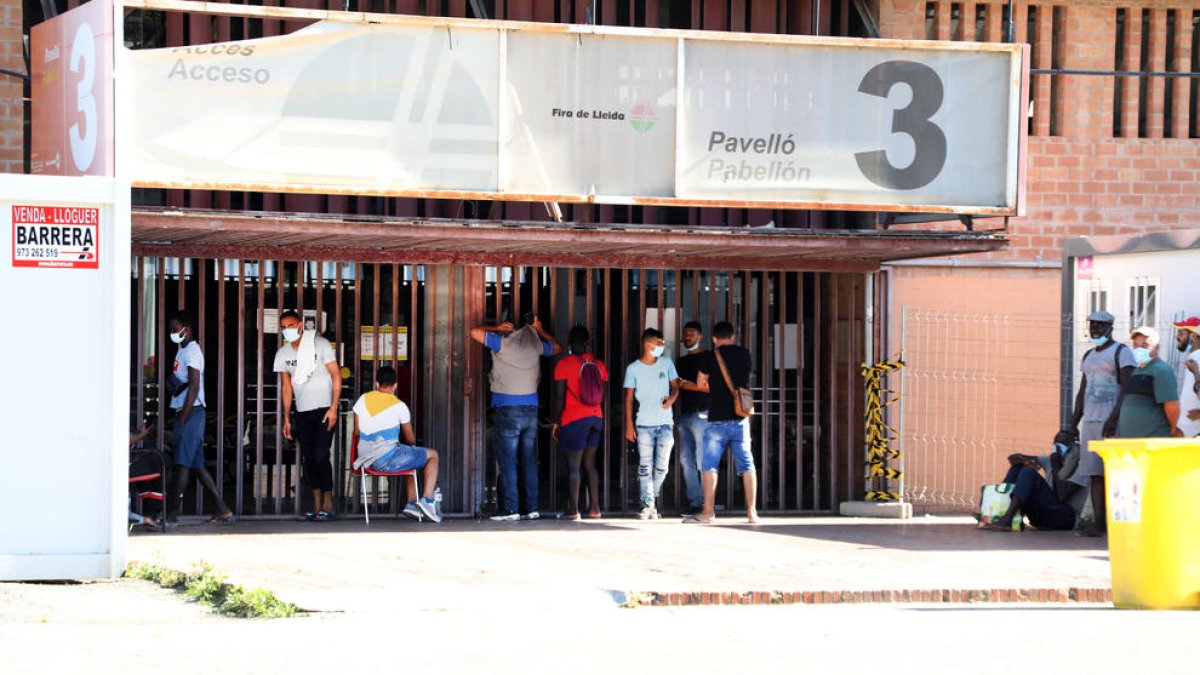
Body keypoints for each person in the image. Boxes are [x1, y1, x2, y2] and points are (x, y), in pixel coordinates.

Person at [470, 314, 561, 521]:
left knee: (508, 460)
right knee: (529, 460)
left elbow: (473, 332)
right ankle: (531, 508)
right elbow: (557, 348)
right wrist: (540, 329)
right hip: (531, 408)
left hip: (507, 408)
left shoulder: (502, 342)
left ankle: (510, 509)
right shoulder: (535, 345)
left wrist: (496, 326)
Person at [686, 321, 758, 525]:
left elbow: (700, 384)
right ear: (733, 337)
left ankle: (708, 513)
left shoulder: (709, 356)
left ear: (714, 339)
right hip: (740, 418)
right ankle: (752, 513)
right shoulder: (745, 354)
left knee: (710, 465)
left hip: (717, 419)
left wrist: (715, 387)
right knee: (747, 464)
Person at [165, 312, 234, 524]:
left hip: (191, 414)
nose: (173, 334)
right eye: (171, 330)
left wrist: (183, 418)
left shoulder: (192, 352)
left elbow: (194, 386)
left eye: (176, 330)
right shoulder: (182, 350)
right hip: (188, 413)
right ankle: (223, 510)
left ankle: (171, 515)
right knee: (197, 465)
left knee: (182, 466)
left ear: (187, 329)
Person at [1069, 310, 1133, 537]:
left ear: (1110, 327)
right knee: (1095, 474)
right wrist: (1072, 424)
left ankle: (1121, 523)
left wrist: (1114, 419)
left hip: (1112, 423)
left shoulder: (1122, 353)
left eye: (1099, 325)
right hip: (1091, 422)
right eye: (1092, 325)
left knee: (1116, 473)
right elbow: (1082, 391)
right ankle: (1099, 523)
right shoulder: (1088, 356)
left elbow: (1127, 388)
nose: (1095, 329)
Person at [274, 309, 342, 521]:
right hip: (302, 412)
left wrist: (334, 407)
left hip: (324, 409)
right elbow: (286, 387)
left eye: (291, 326)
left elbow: (336, 375)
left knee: (322, 456)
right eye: (284, 327)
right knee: (309, 459)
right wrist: (286, 418)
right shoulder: (283, 354)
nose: (288, 330)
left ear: (301, 325)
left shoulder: (320, 344)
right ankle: (317, 504)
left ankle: (329, 504)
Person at [352, 366, 441, 523]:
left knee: (409, 455)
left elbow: (357, 431)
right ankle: (427, 501)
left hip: (365, 461)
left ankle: (412, 504)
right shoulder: (399, 406)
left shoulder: (363, 399)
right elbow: (410, 438)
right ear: (396, 385)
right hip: (386, 460)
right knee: (432, 455)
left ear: (376, 383)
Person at [552, 325, 608, 520]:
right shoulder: (599, 365)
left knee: (574, 466)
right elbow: (603, 394)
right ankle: (595, 509)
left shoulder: (564, 364)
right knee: (590, 464)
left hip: (574, 419)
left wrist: (556, 421)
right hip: (596, 418)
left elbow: (559, 397)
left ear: (569, 343)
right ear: (587, 343)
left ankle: (573, 510)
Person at [623, 327, 679, 519]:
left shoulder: (667, 363)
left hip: (665, 424)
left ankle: (650, 499)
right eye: (659, 343)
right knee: (645, 466)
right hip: (644, 424)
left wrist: (672, 399)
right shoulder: (633, 369)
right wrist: (629, 425)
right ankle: (648, 504)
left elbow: (676, 386)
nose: (662, 347)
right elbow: (628, 399)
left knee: (662, 467)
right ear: (647, 345)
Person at [979, 452, 1077, 532]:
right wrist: (1024, 461)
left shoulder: (1080, 463)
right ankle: (996, 515)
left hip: (1063, 518)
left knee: (1028, 472)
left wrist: (1056, 466)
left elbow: (1062, 496)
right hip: (1041, 515)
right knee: (1017, 468)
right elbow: (1013, 458)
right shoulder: (1050, 459)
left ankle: (1007, 519)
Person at [1116, 326, 1181, 440]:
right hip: (1132, 445)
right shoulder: (1136, 371)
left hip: (1153, 444)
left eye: (1145, 345)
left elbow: (1172, 406)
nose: (1139, 349)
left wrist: (1173, 429)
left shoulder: (1161, 371)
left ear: (1157, 347)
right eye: (1136, 345)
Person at [674, 321, 710, 517]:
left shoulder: (708, 358)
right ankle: (696, 502)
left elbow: (710, 387)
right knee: (685, 459)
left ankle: (707, 503)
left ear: (701, 336)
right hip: (685, 414)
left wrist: (689, 385)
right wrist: (691, 385)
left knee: (701, 459)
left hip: (702, 413)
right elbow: (678, 386)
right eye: (685, 334)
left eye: (692, 334)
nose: (687, 337)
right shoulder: (681, 361)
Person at [1170, 317, 1200, 438]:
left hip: (1194, 430)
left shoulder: (1198, 358)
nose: (1177, 337)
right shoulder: (1193, 357)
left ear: (1193, 336)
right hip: (1187, 428)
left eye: (1181, 333)